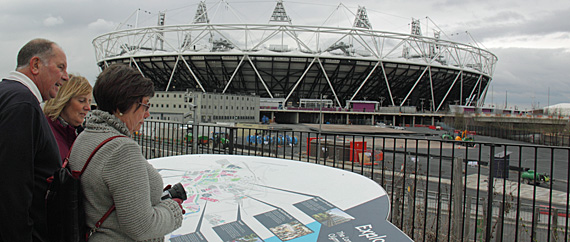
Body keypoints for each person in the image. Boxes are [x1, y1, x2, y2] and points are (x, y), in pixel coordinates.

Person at [68, 64, 183, 241]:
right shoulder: (122, 150)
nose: (147, 114)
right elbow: (142, 227)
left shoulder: (85, 136)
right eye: (145, 105)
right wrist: (173, 209)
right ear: (123, 105)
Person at [0, 38, 69, 241]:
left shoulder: (9, 95)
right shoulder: (23, 105)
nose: (65, 77)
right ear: (36, 65)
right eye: (60, 67)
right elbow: (12, 187)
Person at [43, 74, 92, 160]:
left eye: (89, 101)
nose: (88, 107)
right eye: (82, 101)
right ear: (63, 100)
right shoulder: (45, 135)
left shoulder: (80, 137)